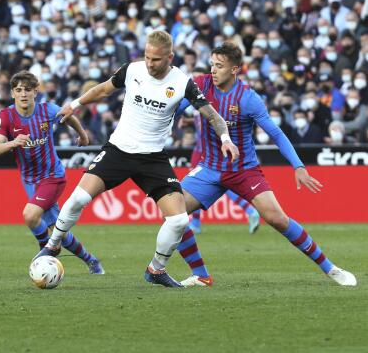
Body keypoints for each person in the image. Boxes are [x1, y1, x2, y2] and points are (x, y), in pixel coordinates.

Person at [34, 31, 239, 287]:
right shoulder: (132, 70)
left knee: (178, 220)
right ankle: (53, 246)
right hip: (118, 150)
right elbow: (104, 89)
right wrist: (75, 104)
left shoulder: (183, 83)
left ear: (169, 57)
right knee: (78, 199)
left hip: (152, 158)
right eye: (147, 57)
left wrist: (226, 139)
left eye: (156, 59)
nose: (150, 64)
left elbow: (213, 116)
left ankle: (156, 269)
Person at [176, 43, 356, 287]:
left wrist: (298, 166)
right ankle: (201, 275)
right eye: (212, 64)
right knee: (173, 212)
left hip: (244, 170)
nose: (213, 70)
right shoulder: (201, 84)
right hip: (209, 168)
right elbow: (177, 108)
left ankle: (330, 268)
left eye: (219, 66)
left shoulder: (248, 98)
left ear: (234, 69)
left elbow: (277, 135)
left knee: (277, 219)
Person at [0, 71, 104, 274]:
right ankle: (91, 260)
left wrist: (82, 136)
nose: (23, 94)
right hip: (29, 179)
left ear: (36, 91)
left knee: (30, 215)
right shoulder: (5, 116)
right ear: (13, 93)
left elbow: (68, 115)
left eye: (27, 90)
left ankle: (47, 250)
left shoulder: (47, 110)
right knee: (56, 228)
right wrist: (14, 143)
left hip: (53, 176)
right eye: (18, 90)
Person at [185, 109, 261, 234]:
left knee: (194, 187)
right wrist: (189, 121)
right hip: (206, 148)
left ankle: (196, 223)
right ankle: (249, 210)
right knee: (221, 183)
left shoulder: (203, 98)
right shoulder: (204, 100)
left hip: (205, 150)